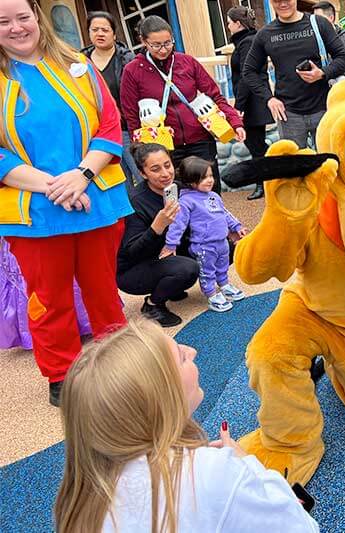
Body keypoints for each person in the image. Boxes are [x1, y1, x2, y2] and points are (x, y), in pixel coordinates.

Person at [54, 319, 320, 532]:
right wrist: (246, 465)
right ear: (162, 397)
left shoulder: (85, 499)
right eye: (181, 357)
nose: (192, 351)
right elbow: (301, 527)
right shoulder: (212, 473)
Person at [0, 0, 132, 406]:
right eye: (3, 21)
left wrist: (81, 175)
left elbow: (109, 124)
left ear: (37, 16)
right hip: (34, 212)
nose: (16, 28)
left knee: (104, 293)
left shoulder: (79, 64)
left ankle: (123, 368)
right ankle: (62, 374)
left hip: (95, 200)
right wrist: (53, 186)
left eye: (22, 17)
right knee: (48, 300)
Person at [120, 15, 245, 194]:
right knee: (176, 195)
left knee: (209, 191)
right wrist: (141, 150)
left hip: (200, 139)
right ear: (143, 42)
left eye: (168, 43)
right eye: (156, 45)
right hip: (164, 146)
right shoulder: (133, 70)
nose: (163, 50)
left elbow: (215, 95)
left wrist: (235, 122)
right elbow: (131, 115)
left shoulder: (187, 62)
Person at [242, 0, 345, 149]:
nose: (283, 4)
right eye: (277, 0)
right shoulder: (265, 34)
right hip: (288, 115)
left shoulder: (319, 24)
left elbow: (343, 58)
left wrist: (322, 73)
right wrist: (269, 98)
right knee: (295, 169)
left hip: (323, 109)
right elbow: (249, 71)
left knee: (330, 163)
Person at [117, 144, 199, 328]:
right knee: (187, 269)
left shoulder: (178, 188)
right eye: (155, 169)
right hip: (134, 269)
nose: (165, 173)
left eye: (167, 165)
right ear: (143, 173)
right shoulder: (135, 202)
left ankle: (172, 287)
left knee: (224, 246)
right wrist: (157, 227)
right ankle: (153, 306)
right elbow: (130, 252)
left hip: (168, 252)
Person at [164, 156, 247, 313]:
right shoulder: (186, 201)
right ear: (190, 180)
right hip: (204, 245)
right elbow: (178, 225)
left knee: (222, 266)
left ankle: (224, 285)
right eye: (203, 178)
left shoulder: (214, 196)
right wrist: (171, 244)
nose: (209, 180)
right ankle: (211, 295)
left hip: (221, 242)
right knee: (207, 270)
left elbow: (224, 213)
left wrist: (236, 226)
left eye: (210, 176)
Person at [80, 11, 140, 195]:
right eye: (95, 30)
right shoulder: (79, 62)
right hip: (99, 134)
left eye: (105, 30)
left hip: (126, 129)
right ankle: (133, 222)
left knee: (142, 174)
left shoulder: (128, 60)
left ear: (114, 34)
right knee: (122, 183)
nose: (100, 34)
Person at [227, 6, 274, 201]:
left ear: (238, 23)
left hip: (253, 102)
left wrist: (239, 106)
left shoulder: (247, 42)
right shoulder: (247, 41)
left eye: (229, 22)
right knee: (255, 143)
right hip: (252, 101)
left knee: (255, 144)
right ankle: (266, 179)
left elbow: (248, 75)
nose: (228, 26)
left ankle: (264, 181)